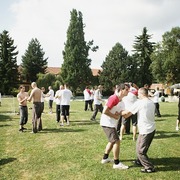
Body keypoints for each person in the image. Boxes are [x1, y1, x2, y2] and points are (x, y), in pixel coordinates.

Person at [121, 87, 156, 173]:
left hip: (146, 130)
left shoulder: (140, 103)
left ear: (141, 94)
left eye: (138, 94)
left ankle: (149, 167)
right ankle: (139, 161)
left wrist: (117, 112)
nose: (137, 96)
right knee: (139, 146)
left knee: (140, 151)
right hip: (151, 129)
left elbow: (126, 115)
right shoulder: (151, 102)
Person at [100, 83, 129, 170]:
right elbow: (105, 111)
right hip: (107, 123)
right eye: (127, 89)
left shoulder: (122, 101)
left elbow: (122, 113)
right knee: (117, 141)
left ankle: (105, 158)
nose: (128, 91)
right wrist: (115, 116)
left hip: (111, 124)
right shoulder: (114, 98)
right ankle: (116, 163)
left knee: (112, 141)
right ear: (121, 90)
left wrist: (132, 111)